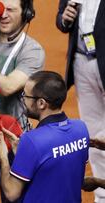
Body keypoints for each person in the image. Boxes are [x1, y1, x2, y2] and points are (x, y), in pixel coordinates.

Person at [0, 71, 89, 202]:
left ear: (41, 103)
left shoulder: (32, 140)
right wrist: (25, 154)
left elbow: (11, 193)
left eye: (25, 95)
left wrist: (3, 158)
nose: (22, 99)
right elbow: (63, 169)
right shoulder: (81, 128)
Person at [56, 0, 105, 202]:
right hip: (82, 63)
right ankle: (102, 194)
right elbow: (61, 20)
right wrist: (64, 19)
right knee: (93, 132)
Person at [0, 0, 45, 131]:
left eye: (10, 10)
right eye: (0, 9)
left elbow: (8, 87)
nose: (3, 15)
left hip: (11, 133)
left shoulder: (32, 50)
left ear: (26, 14)